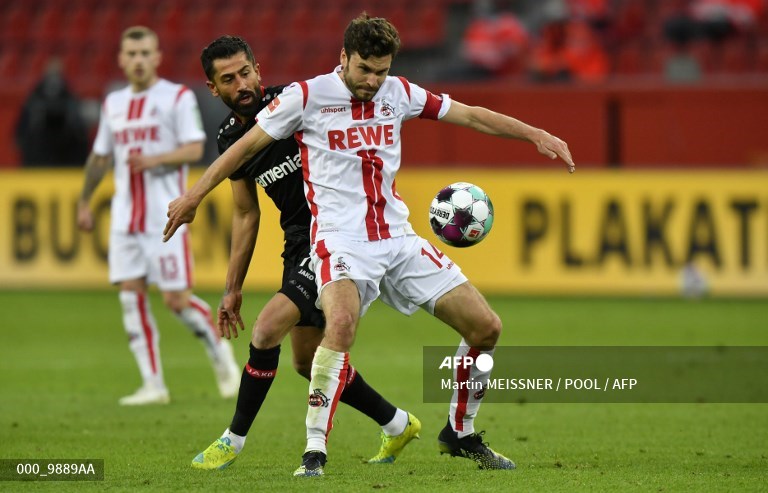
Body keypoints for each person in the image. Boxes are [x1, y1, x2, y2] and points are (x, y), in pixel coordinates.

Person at [165, 14, 575, 477]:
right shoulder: (306, 96)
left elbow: (471, 115)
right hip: (339, 240)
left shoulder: (398, 92)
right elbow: (242, 150)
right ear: (343, 58)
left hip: (397, 239)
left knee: (486, 329)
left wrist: (536, 134)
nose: (373, 81)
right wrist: (194, 196)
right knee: (337, 326)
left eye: (381, 71)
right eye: (365, 70)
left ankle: (459, 433)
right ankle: (314, 453)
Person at [190, 35, 420, 470]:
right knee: (306, 362)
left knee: (265, 330)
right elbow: (245, 215)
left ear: (259, 68)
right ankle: (396, 423)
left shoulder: (298, 102)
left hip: (335, 233)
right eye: (228, 78)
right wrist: (231, 288)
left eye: (246, 72)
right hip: (298, 241)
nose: (241, 84)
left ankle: (232, 440)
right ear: (212, 88)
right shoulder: (229, 139)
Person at [77, 26, 240, 406]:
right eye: (130, 54)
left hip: (164, 218)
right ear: (121, 59)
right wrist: (85, 200)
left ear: (156, 56)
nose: (137, 60)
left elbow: (194, 148)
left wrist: (154, 159)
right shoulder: (113, 104)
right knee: (131, 298)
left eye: (144, 53)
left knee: (176, 301)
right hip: (123, 219)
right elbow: (102, 156)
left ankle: (222, 356)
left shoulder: (176, 97)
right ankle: (153, 385)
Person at [15, 57, 89, 166]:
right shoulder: (34, 100)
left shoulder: (70, 99)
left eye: (56, 73)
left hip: (65, 159)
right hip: (38, 159)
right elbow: (22, 133)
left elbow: (80, 132)